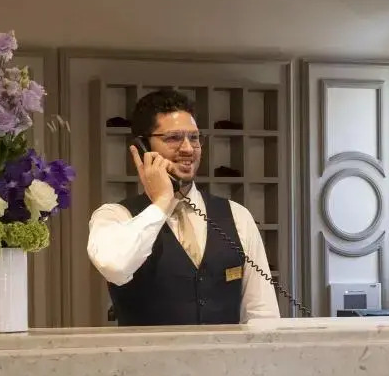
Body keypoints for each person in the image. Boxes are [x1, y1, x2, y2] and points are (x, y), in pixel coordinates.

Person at [87, 89, 280, 326]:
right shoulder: (114, 216)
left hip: (226, 352)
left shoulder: (237, 216)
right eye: (173, 138)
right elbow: (115, 267)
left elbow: (262, 313)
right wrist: (161, 202)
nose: (188, 149)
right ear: (142, 147)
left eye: (194, 138)